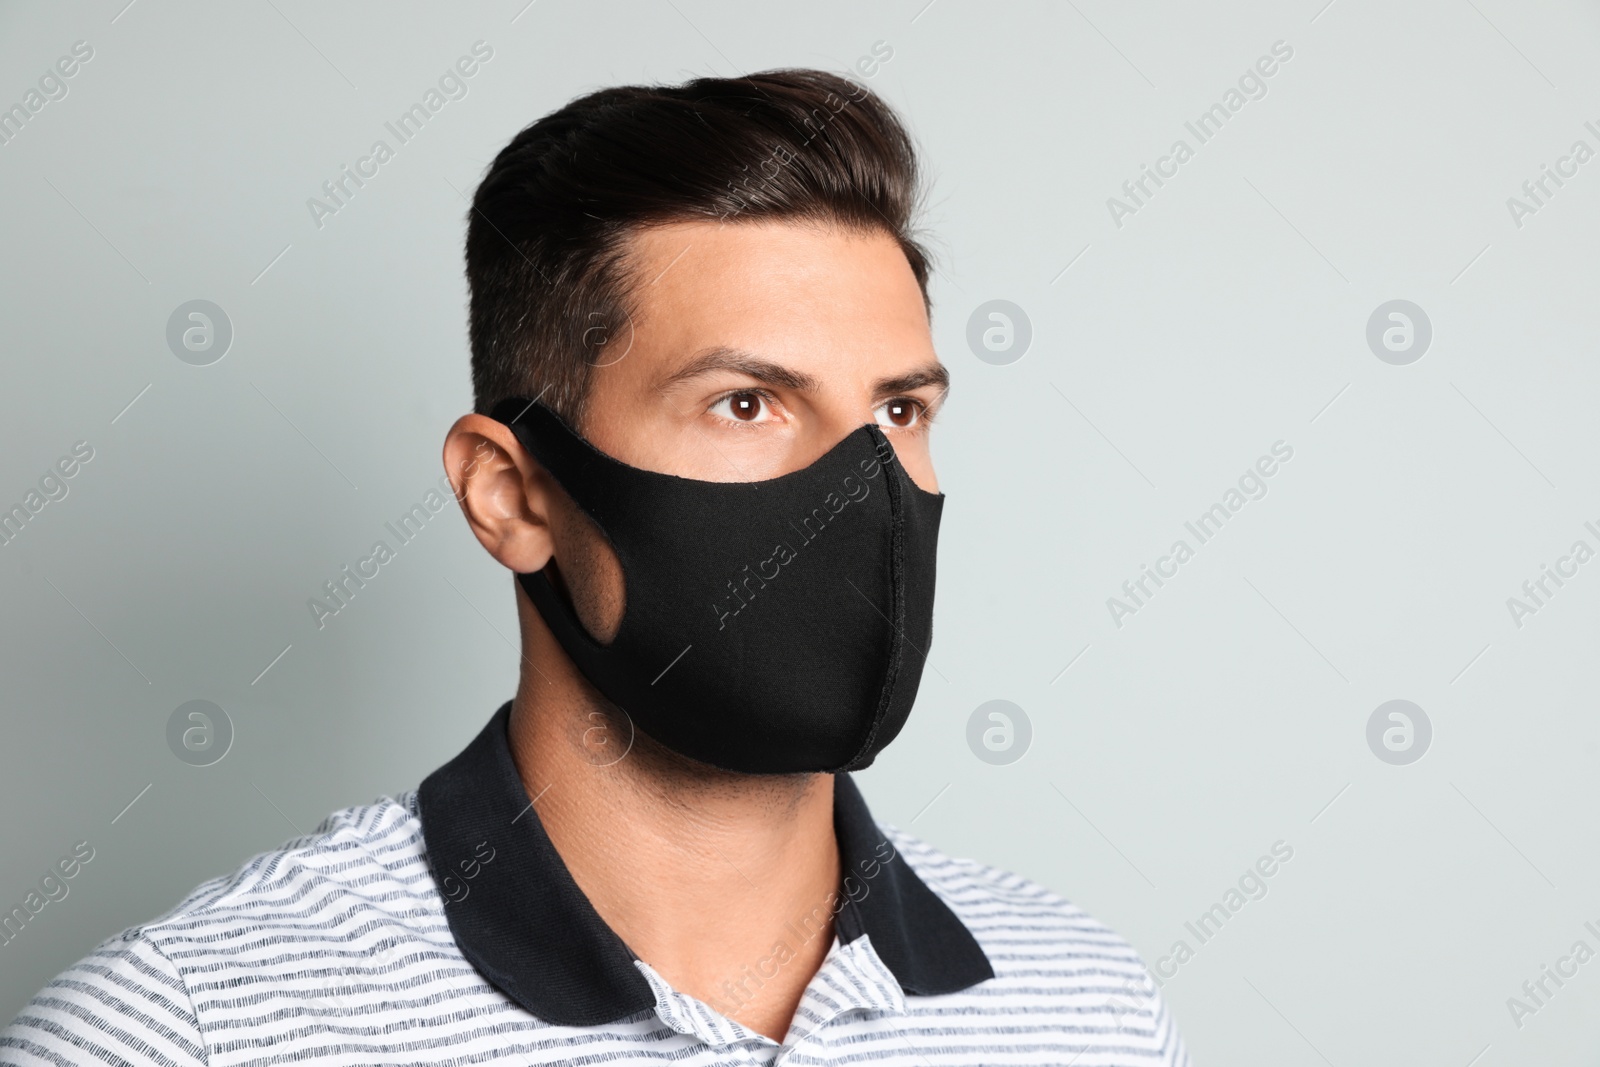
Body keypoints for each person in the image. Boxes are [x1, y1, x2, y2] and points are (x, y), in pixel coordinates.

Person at [1, 69, 1190, 1065]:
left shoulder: (1081, 1008)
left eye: (898, 410)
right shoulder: (189, 1028)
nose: (863, 484)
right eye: (746, 401)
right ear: (512, 495)